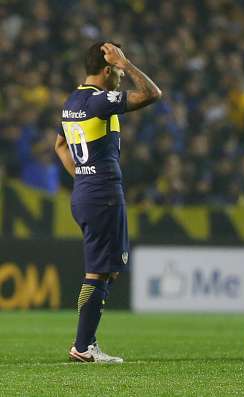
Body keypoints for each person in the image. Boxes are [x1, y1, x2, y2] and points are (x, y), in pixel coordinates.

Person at [55, 42, 161, 363]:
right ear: (107, 70)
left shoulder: (72, 101)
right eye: (116, 72)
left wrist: (83, 176)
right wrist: (127, 63)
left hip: (87, 192)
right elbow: (152, 94)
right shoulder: (101, 101)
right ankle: (83, 346)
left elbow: (60, 145)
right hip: (102, 195)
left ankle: (85, 343)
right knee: (98, 272)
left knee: (107, 270)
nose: (120, 76)